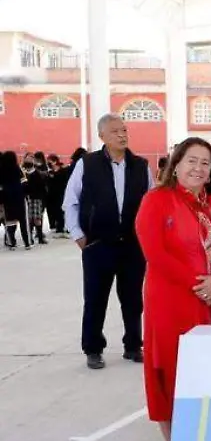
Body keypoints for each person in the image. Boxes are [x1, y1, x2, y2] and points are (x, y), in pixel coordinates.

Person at [135, 137, 211, 441]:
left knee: (204, 371)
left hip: (209, 298)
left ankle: (203, 437)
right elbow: (155, 254)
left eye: (205, 163)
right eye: (191, 161)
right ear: (176, 164)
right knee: (169, 368)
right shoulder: (157, 201)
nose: (198, 168)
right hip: (170, 299)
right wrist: (198, 285)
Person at [63, 115, 156, 369]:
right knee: (95, 298)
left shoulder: (140, 165)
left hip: (132, 246)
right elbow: (70, 201)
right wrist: (79, 236)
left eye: (124, 130)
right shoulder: (87, 164)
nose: (122, 135)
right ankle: (93, 348)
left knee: (133, 299)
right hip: (98, 244)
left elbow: (151, 205)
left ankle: (133, 345)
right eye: (115, 131)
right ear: (102, 136)